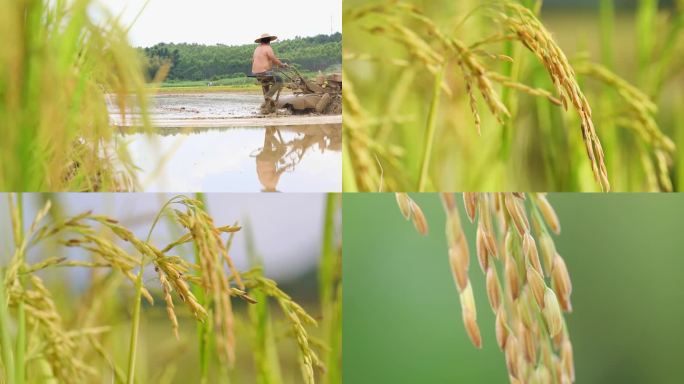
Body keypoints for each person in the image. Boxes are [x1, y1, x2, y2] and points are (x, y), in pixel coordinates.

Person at [252, 33, 288, 112]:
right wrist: (282, 65)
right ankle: (268, 97)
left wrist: (269, 65)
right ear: (269, 41)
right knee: (280, 81)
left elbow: (255, 60)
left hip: (255, 73)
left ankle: (267, 106)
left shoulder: (257, 49)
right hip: (264, 72)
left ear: (261, 41)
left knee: (266, 83)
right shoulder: (268, 48)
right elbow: (274, 59)